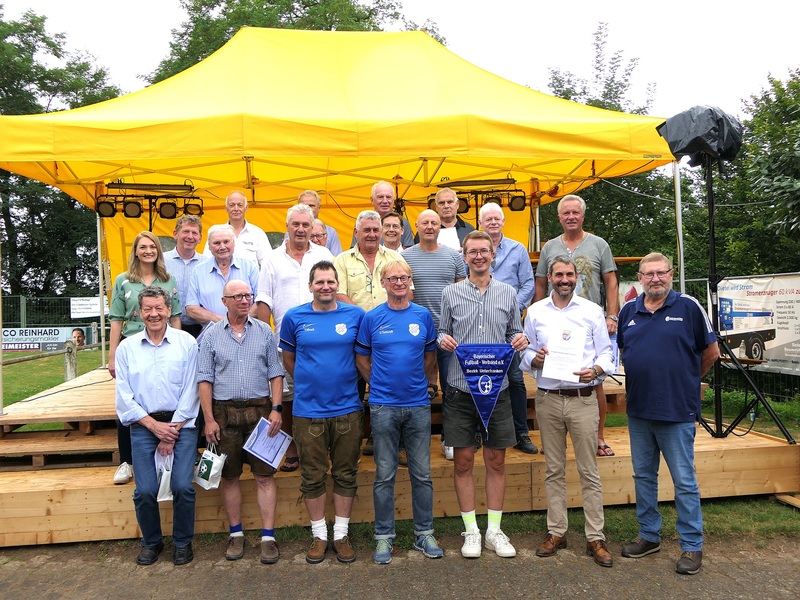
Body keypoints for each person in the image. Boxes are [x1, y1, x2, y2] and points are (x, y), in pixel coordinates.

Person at [617, 253, 719, 576]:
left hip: (677, 411)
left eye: (661, 273)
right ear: (640, 276)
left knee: (684, 481)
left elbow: (711, 353)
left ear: (671, 274)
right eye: (649, 274)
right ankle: (649, 535)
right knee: (643, 477)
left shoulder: (688, 307)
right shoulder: (627, 312)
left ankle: (691, 544)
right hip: (639, 411)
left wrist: (687, 381)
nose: (655, 279)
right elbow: (624, 351)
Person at [438, 230, 529, 559]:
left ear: (493, 255)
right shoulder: (450, 293)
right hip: (461, 389)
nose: (478, 256)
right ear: (464, 257)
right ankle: (471, 531)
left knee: (496, 460)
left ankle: (494, 529)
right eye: (472, 252)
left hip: (498, 390)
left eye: (484, 251)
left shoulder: (508, 293)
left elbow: (515, 333)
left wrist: (520, 340)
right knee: (462, 461)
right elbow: (442, 332)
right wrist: (443, 340)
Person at [521, 256, 615, 568]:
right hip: (548, 398)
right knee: (554, 470)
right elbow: (526, 352)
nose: (564, 279)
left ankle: (595, 537)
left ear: (576, 277)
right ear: (549, 277)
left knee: (589, 470)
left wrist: (598, 369)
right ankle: (557, 532)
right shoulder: (535, 312)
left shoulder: (590, 310)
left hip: (583, 398)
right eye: (559, 274)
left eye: (569, 274)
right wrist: (535, 359)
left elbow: (606, 351)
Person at [355, 260, 443, 564]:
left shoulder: (423, 316)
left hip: (418, 404)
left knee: (422, 474)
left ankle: (424, 533)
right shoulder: (372, 318)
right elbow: (361, 358)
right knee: (384, 475)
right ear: (383, 282)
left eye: (404, 277)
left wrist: (423, 383)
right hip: (382, 405)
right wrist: (377, 384)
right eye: (393, 278)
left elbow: (430, 355)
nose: (399, 282)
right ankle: (383, 537)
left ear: (410, 282)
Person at [280, 261, 365, 564]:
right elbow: (289, 359)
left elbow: (364, 355)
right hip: (308, 411)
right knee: (312, 475)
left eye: (330, 282)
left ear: (337, 284)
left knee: (345, 473)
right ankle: (319, 535)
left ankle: (340, 534)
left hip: (348, 409)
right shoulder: (294, 317)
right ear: (310, 285)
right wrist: (309, 379)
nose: (325, 287)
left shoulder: (355, 315)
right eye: (320, 282)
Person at [197, 279, 285, 564]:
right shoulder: (210, 336)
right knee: (230, 476)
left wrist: (277, 408)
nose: (245, 300)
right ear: (224, 301)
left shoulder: (264, 331)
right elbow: (204, 380)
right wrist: (209, 419)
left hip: (261, 414)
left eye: (248, 295)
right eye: (238, 296)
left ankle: (268, 537)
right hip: (224, 416)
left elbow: (275, 372)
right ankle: (236, 534)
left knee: (265, 476)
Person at [114, 286, 200, 566]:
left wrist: (171, 430)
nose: (154, 314)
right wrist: (154, 427)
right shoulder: (127, 348)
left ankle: (182, 542)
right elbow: (124, 396)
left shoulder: (187, 342)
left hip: (181, 424)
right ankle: (152, 542)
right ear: (138, 312)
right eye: (148, 309)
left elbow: (192, 389)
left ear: (168, 309)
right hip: (143, 425)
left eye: (159, 308)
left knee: (182, 486)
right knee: (145, 490)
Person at [534, 194, 619, 457]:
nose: (571, 217)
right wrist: (537, 316)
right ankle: (553, 438)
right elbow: (540, 283)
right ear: (559, 217)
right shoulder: (549, 247)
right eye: (566, 213)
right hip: (555, 321)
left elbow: (611, 281)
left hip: (588, 322)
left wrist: (612, 315)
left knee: (595, 381)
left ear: (583, 216)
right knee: (552, 379)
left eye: (576, 213)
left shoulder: (599, 244)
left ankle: (599, 436)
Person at [256, 204, 333, 472]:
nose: (301, 229)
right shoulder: (272, 259)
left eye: (306, 225)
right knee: (287, 398)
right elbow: (263, 300)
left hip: (322, 343)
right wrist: (263, 337)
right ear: (287, 226)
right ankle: (290, 447)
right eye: (295, 224)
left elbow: (332, 289)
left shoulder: (323, 254)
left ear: (312, 228)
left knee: (322, 392)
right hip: (284, 343)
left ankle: (321, 446)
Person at [108, 231, 182, 485]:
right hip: (133, 349)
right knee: (127, 403)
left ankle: (175, 452)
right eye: (143, 247)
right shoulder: (123, 280)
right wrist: (112, 355)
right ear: (136, 251)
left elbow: (175, 316)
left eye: (152, 246)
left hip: (164, 346)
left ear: (158, 251)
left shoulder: (168, 279)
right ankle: (126, 462)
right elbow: (116, 319)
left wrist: (180, 347)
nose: (148, 250)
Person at [402, 209, 466, 460]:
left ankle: (450, 437)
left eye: (434, 223)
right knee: (416, 389)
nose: (429, 226)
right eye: (425, 222)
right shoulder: (406, 257)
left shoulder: (454, 257)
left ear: (441, 227)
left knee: (452, 388)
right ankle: (415, 440)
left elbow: (463, 295)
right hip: (416, 335)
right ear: (416, 226)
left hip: (450, 333)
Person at [478, 202, 538, 455]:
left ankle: (520, 432)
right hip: (480, 325)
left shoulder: (518, 249)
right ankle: (483, 431)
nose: (492, 222)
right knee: (481, 378)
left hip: (510, 327)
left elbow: (528, 284)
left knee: (514, 379)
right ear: (480, 223)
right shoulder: (473, 248)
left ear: (503, 221)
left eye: (496, 218)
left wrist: (512, 307)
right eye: (487, 219)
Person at [186, 224, 259, 328]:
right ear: (209, 247)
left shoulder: (250, 267)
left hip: (247, 330)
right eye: (216, 243)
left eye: (226, 242)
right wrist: (223, 322)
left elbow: (260, 301)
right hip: (212, 334)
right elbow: (191, 309)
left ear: (233, 243)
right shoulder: (198, 271)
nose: (222, 247)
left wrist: (241, 322)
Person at [202, 190, 272, 268]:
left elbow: (268, 264)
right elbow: (206, 261)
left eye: (240, 205)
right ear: (226, 208)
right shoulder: (215, 231)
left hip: (250, 280)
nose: (236, 208)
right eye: (232, 205)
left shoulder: (257, 233)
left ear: (246, 208)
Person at [164, 215, 205, 338]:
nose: (190, 236)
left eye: (194, 233)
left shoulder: (207, 264)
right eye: (186, 231)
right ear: (175, 234)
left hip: (199, 328)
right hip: (167, 326)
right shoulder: (160, 261)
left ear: (200, 238)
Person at [352, 181, 414, 247]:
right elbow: (354, 251)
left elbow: (408, 252)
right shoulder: (362, 222)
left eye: (388, 197)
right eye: (380, 197)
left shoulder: (404, 223)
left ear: (393, 200)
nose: (385, 201)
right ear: (372, 200)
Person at [298, 190, 343, 255]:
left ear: (319, 208)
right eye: (304, 206)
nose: (308, 209)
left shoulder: (331, 232)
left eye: (311, 206)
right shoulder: (293, 232)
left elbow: (336, 260)